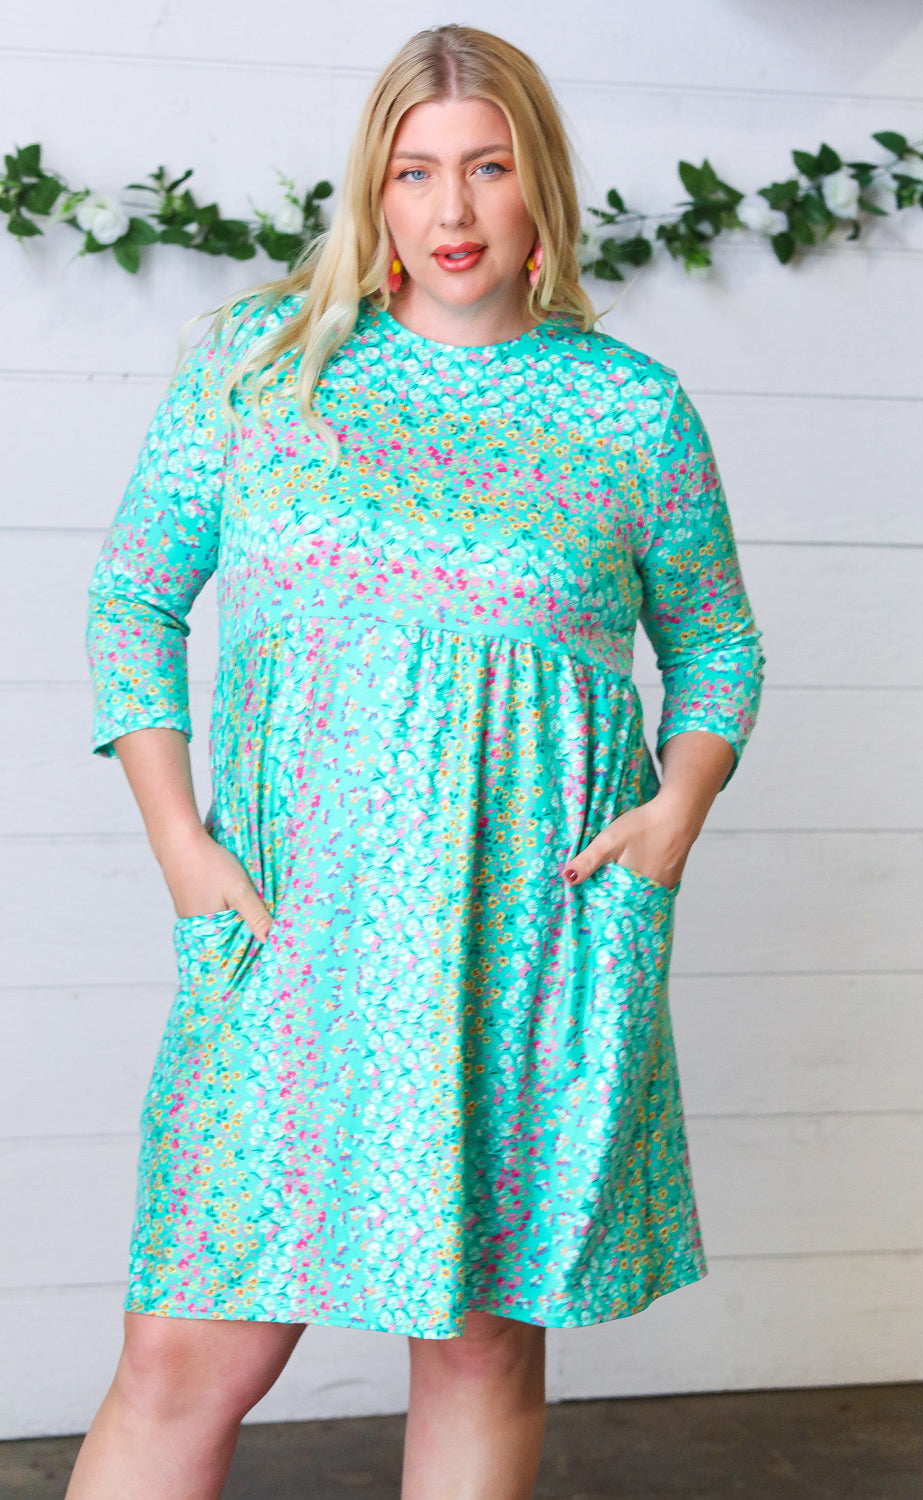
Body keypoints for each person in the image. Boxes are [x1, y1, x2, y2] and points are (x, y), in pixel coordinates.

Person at [69, 21, 764, 1500]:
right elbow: (133, 598)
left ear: (540, 184)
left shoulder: (629, 408)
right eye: (416, 172)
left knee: (477, 1344)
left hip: (528, 940)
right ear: (372, 190)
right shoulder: (265, 367)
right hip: (292, 928)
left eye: (489, 169)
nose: (453, 211)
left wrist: (676, 811)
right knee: (187, 1351)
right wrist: (181, 841)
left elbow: (716, 643)